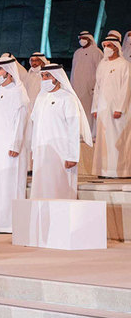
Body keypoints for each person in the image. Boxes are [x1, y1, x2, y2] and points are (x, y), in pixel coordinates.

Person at [29, 65, 93, 199]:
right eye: (42, 76)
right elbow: (36, 127)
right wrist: (34, 151)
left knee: (60, 189)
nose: (44, 79)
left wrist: (72, 156)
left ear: (57, 77)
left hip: (61, 153)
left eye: (48, 75)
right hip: (42, 153)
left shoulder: (68, 98)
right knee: (42, 190)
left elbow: (73, 128)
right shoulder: (41, 98)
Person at [0, 56, 30, 233]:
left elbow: (21, 120)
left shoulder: (19, 92)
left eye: (0, 69)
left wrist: (15, 145)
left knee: (10, 184)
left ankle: (10, 224)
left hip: (11, 148)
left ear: (9, 71)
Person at [91, 35, 131, 178]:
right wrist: (95, 108)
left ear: (116, 47)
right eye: (105, 45)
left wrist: (119, 108)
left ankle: (120, 171)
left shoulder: (124, 65)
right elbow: (97, 87)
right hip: (103, 109)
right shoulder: (102, 64)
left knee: (118, 140)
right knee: (103, 141)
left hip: (119, 111)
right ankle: (103, 171)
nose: (106, 48)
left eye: (109, 45)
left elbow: (126, 88)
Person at [70, 31, 102, 137]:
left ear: (89, 39)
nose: (81, 40)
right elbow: (74, 70)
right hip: (77, 87)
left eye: (84, 38)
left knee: (89, 111)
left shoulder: (96, 52)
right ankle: (79, 133)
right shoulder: (77, 52)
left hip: (90, 88)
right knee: (79, 111)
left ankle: (90, 133)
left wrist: (96, 86)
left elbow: (100, 70)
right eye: (80, 38)